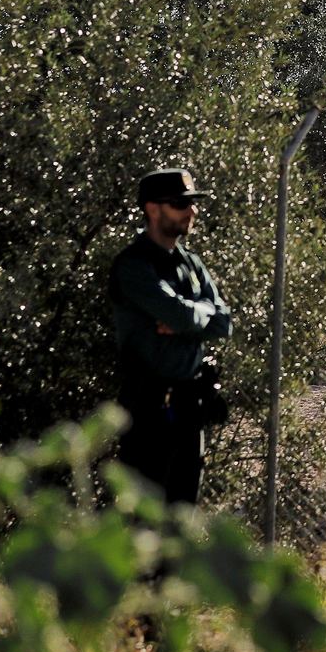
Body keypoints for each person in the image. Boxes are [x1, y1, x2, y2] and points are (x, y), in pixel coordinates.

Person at [109, 167, 232, 505]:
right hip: (147, 407)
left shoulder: (190, 263)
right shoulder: (133, 266)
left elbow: (223, 322)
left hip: (190, 404)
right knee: (144, 518)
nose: (191, 211)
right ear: (152, 209)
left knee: (182, 514)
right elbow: (182, 314)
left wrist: (189, 317)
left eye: (192, 203)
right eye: (180, 203)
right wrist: (195, 314)